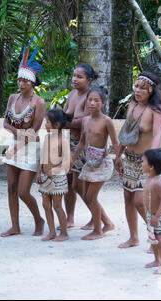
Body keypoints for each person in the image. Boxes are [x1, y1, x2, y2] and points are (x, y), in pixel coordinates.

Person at [115, 71, 161, 249]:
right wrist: (118, 155)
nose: (137, 91)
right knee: (128, 198)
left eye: (142, 88)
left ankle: (155, 237)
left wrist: (151, 162)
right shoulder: (132, 105)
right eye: (136, 87)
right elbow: (127, 131)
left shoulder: (156, 110)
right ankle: (133, 237)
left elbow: (157, 136)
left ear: (151, 91)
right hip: (129, 158)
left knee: (141, 200)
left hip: (147, 162)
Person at [0, 39, 46, 237]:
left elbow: (34, 132)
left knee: (23, 191)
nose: (21, 84)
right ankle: (15, 226)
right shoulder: (13, 98)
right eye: (19, 80)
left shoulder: (39, 102)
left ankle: (39, 219)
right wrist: (18, 135)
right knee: (11, 188)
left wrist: (18, 139)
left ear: (33, 82)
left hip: (29, 148)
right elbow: (5, 123)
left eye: (25, 81)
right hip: (15, 143)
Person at [70, 87, 117, 240]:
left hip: (102, 163)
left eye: (96, 100)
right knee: (86, 195)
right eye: (90, 100)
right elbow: (82, 142)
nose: (92, 103)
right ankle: (107, 224)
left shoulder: (106, 121)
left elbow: (116, 143)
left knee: (91, 196)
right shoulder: (85, 120)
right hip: (89, 162)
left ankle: (98, 230)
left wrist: (120, 160)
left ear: (102, 103)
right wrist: (72, 159)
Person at [63, 64, 97, 229]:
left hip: (84, 145)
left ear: (89, 80)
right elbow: (65, 115)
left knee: (82, 184)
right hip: (69, 143)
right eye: (74, 75)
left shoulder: (91, 97)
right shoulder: (72, 94)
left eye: (79, 77)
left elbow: (85, 121)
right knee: (68, 181)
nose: (75, 79)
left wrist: (65, 123)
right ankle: (69, 218)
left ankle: (96, 217)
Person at [36, 109, 72, 242]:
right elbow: (43, 156)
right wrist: (39, 171)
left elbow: (67, 162)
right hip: (45, 176)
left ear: (57, 125)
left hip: (58, 177)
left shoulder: (63, 140)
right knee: (46, 204)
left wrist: (55, 171)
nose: (45, 125)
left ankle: (64, 233)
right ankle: (51, 232)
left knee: (57, 205)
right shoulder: (47, 137)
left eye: (48, 122)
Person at [142, 148, 161, 274]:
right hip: (150, 215)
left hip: (160, 216)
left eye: (143, 162)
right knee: (152, 239)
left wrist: (157, 216)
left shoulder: (158, 182)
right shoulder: (148, 178)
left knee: (159, 241)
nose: (141, 164)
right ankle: (156, 260)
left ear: (151, 167)